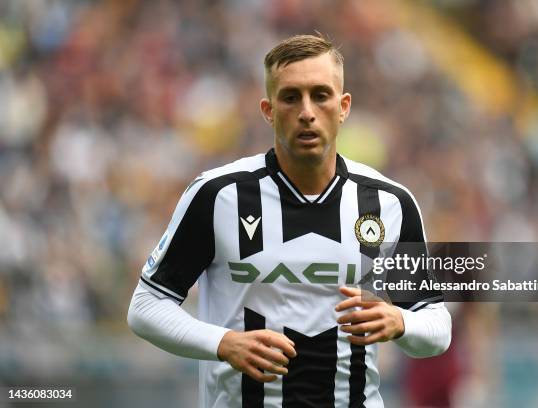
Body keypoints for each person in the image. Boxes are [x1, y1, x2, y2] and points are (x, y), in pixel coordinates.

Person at [127, 34, 451, 407]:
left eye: (321, 95)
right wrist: (223, 343)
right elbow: (147, 307)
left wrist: (401, 322)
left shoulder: (389, 203)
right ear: (268, 110)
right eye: (291, 97)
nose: (307, 112)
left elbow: (437, 327)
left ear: (344, 106)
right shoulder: (217, 195)